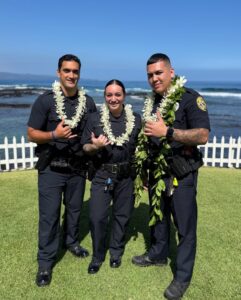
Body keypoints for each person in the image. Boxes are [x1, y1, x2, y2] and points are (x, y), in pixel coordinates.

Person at [132, 53, 210, 300]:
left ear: (171, 72)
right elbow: (148, 139)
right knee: (158, 217)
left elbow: (202, 135)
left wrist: (168, 132)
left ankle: (183, 276)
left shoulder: (190, 99)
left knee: (185, 227)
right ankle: (157, 254)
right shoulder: (152, 103)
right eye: (150, 75)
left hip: (182, 173)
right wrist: (145, 172)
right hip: (157, 172)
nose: (154, 79)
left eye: (158, 73)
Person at [27, 54, 97, 287]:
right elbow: (31, 134)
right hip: (51, 169)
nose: (71, 75)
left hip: (77, 168)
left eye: (75, 71)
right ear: (58, 72)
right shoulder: (45, 101)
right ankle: (45, 263)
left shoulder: (87, 103)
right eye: (67, 70)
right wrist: (54, 135)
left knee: (75, 210)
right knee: (49, 216)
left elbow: (92, 132)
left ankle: (71, 242)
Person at [81, 79, 142, 274]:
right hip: (102, 174)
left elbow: (143, 148)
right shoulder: (94, 119)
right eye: (109, 95)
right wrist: (95, 146)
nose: (113, 99)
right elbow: (85, 147)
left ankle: (116, 252)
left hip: (126, 176)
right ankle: (98, 256)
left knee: (122, 217)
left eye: (117, 94)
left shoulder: (136, 119)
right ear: (104, 96)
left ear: (124, 96)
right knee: (97, 217)